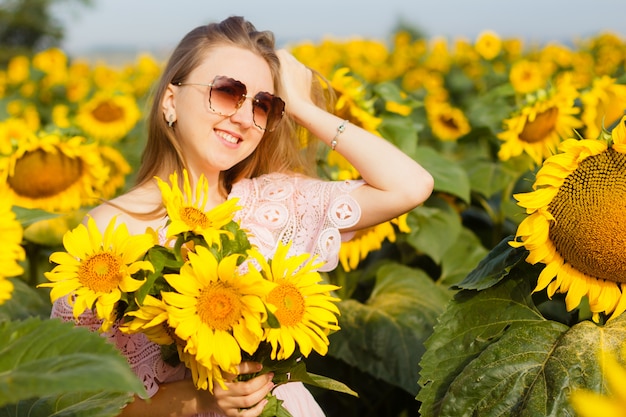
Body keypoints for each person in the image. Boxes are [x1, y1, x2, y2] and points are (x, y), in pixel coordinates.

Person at [50, 15, 434, 417]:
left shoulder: (275, 204)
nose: (244, 117)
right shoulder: (107, 236)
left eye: (263, 105)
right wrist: (200, 398)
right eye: (227, 91)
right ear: (170, 100)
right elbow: (81, 400)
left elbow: (410, 186)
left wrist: (302, 107)